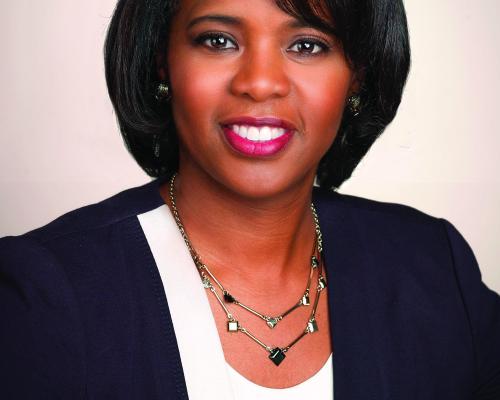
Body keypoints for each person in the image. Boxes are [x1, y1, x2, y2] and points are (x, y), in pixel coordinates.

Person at [1, 0, 499, 398]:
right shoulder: (44, 292)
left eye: (307, 44)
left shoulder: (433, 264)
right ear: (163, 62)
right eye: (218, 41)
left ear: (358, 77)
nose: (260, 83)